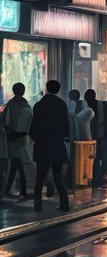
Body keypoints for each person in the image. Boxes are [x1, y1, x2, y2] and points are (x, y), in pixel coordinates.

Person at [29, 80, 70, 212]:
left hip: (42, 146)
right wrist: (65, 137)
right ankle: (64, 204)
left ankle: (37, 204)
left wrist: (36, 138)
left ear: (46, 88)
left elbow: (33, 127)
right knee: (58, 176)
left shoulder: (39, 105)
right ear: (58, 90)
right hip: (57, 146)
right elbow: (66, 126)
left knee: (40, 177)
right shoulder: (61, 104)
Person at [2, 83, 32, 200]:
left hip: (11, 139)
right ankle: (22, 192)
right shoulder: (26, 105)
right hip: (22, 139)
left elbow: (5, 121)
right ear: (23, 91)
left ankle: (9, 190)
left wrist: (10, 134)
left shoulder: (10, 105)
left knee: (15, 165)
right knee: (18, 165)